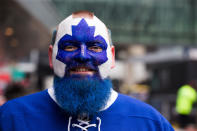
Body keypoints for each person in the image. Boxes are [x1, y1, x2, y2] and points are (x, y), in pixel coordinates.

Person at [0, 11, 174, 131]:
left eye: (95, 47)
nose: (83, 56)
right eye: (69, 46)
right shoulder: (11, 118)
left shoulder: (149, 123)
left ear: (111, 57)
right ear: (51, 55)